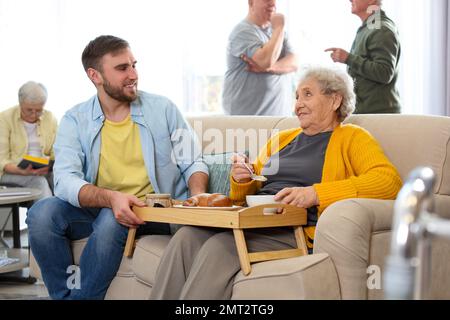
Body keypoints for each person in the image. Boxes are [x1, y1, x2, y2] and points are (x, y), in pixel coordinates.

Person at [149, 66, 403, 299]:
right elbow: (248, 189)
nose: (298, 105)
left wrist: (316, 194)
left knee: (220, 247)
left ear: (335, 100)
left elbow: (388, 181)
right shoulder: (282, 139)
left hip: (291, 229)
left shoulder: (351, 137)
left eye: (307, 95)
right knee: (186, 238)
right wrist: (243, 179)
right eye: (296, 97)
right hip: (252, 220)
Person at [25, 35, 209, 300]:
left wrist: (198, 196)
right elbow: (65, 180)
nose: (133, 74)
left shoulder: (163, 109)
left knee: (113, 218)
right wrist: (111, 197)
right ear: (95, 75)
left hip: (150, 213)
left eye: (134, 65)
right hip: (98, 207)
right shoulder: (75, 119)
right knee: (41, 213)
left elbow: (192, 161)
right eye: (122, 68)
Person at [222, 0, 298, 116]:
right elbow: (265, 60)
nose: (272, 4)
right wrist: (279, 27)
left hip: (277, 122)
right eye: (266, 0)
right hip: (246, 125)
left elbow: (294, 63)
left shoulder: (279, 32)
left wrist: (269, 69)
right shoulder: (243, 32)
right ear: (251, 3)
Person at [325, 0, 401, 114]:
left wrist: (348, 58)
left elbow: (384, 72)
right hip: (370, 113)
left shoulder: (380, 29)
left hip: (379, 115)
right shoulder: (370, 27)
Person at [0, 81, 57, 199]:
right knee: (39, 182)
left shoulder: (50, 118)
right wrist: (23, 171)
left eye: (39, 110)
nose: (34, 114)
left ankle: (68, 216)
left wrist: (50, 164)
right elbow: (2, 160)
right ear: (20, 104)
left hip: (42, 170)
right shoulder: (4, 118)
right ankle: (45, 216)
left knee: (61, 180)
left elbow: (57, 151)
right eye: (29, 110)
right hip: (11, 172)